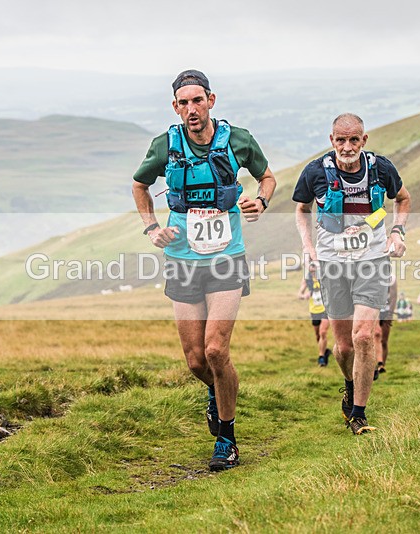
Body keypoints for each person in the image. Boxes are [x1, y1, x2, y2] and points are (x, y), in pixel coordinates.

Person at [132, 70, 277, 470]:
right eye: (184, 103)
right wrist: (151, 227)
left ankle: (226, 440)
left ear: (211, 100)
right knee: (197, 360)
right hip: (181, 259)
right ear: (175, 107)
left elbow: (267, 178)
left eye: (198, 101)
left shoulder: (239, 140)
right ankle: (218, 391)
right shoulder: (165, 145)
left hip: (226, 256)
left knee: (216, 348)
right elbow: (139, 185)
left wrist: (260, 202)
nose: (192, 109)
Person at [294, 113, 410, 435]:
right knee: (344, 347)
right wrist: (308, 247)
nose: (347, 146)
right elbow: (302, 209)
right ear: (331, 140)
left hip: (372, 260)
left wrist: (397, 232)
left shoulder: (380, 169)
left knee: (363, 336)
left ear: (364, 140)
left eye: (354, 140)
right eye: (341, 140)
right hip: (333, 263)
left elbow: (403, 199)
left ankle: (359, 414)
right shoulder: (316, 172)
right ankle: (350, 383)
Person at [298, 271, 331, 366]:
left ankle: (321, 357)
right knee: (318, 335)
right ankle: (325, 351)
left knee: (323, 332)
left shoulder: (325, 275)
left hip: (325, 308)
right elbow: (299, 294)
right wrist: (304, 296)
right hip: (314, 310)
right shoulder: (307, 278)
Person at [374, 274, 398, 379]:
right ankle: (377, 364)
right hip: (374, 310)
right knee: (376, 335)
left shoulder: (391, 278)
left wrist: (390, 314)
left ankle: (382, 364)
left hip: (386, 310)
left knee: (384, 340)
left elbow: (394, 296)